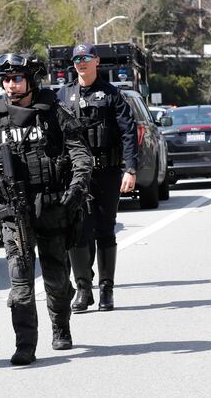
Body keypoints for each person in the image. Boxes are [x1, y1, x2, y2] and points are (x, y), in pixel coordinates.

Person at [0, 53, 92, 365]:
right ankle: (25, 344)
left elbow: (80, 151)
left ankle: (60, 326)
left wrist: (77, 185)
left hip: (53, 207)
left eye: (17, 78)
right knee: (20, 280)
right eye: (6, 79)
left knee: (55, 277)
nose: (11, 85)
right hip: (14, 210)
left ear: (31, 79)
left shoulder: (53, 110)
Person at [57, 43, 138, 313]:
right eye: (77, 59)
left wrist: (131, 170)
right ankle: (83, 289)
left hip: (106, 172)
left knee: (104, 230)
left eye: (86, 58)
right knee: (77, 231)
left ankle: (106, 289)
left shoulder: (112, 94)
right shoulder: (63, 95)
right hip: (75, 175)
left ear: (96, 61)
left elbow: (129, 133)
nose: (81, 63)